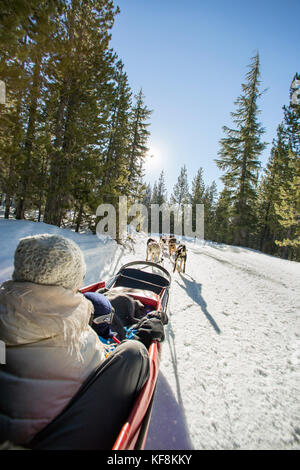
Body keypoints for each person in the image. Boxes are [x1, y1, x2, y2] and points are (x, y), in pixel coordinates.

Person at [0, 234, 164, 449]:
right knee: (134, 353)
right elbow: (105, 355)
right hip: (48, 434)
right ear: (72, 280)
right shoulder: (73, 333)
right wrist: (142, 337)